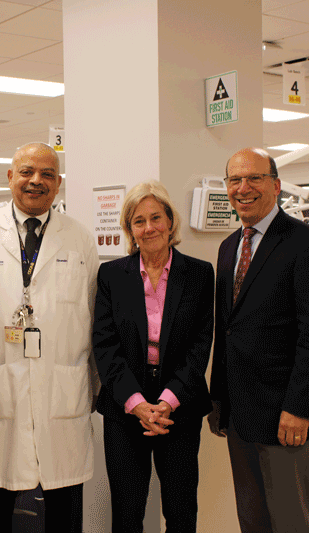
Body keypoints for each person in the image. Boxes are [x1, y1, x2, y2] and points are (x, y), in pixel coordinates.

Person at [0, 142, 99, 533]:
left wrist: (91, 384)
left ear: (58, 185)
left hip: (62, 392)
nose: (35, 181)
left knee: (65, 505)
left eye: (47, 175)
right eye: (26, 172)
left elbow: (93, 319)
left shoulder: (80, 239)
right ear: (10, 177)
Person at [209, 147, 309, 533]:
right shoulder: (229, 246)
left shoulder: (307, 243)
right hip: (240, 411)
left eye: (254, 178)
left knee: (290, 520)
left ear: (276, 185)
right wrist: (219, 400)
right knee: (252, 519)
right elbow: (227, 329)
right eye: (235, 179)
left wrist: (298, 407)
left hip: (285, 413)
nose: (243, 188)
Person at [92, 181, 214, 533]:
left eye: (156, 217)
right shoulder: (112, 275)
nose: (149, 228)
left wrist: (167, 401)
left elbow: (200, 344)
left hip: (180, 406)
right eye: (138, 221)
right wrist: (137, 403)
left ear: (170, 221)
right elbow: (105, 345)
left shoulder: (199, 274)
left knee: (180, 510)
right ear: (130, 230)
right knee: (127, 512)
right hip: (125, 407)